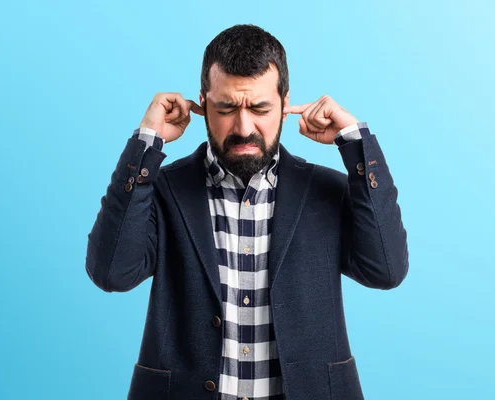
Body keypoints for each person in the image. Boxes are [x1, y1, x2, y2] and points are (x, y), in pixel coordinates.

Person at [85, 24, 409, 400]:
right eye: (225, 108)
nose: (243, 127)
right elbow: (111, 273)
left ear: (285, 104)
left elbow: (385, 270)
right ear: (203, 103)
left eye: (259, 108)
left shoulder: (326, 191)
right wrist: (146, 143)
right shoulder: (161, 189)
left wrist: (355, 142)